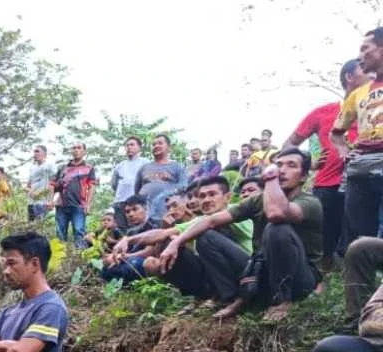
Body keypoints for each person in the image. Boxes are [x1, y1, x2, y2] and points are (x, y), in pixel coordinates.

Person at [159, 148, 323, 321]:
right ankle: (232, 297)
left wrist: (270, 177)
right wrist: (176, 243)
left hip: (299, 279)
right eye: (279, 165)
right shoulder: (258, 200)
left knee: (277, 228)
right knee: (207, 236)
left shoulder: (310, 203)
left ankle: (281, 300)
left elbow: (276, 213)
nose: (282, 170)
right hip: (263, 274)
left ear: (303, 177)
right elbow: (211, 221)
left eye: (291, 165)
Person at [285, 59, 367, 265]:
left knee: (357, 242)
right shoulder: (323, 112)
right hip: (327, 184)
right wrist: (308, 163)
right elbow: (289, 144)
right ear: (349, 77)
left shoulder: (376, 113)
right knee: (321, 241)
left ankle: (352, 276)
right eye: (365, 70)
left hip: (364, 183)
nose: (372, 74)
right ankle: (319, 276)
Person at [121, 176, 255, 300]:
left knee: (206, 235)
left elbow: (211, 223)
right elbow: (162, 233)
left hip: (250, 269)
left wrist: (177, 241)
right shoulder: (202, 220)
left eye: (212, 194)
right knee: (169, 241)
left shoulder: (238, 211)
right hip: (219, 273)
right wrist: (128, 239)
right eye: (202, 196)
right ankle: (201, 296)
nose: (206, 200)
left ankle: (231, 297)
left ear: (227, 197)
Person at [332, 29, 383, 242]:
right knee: (359, 234)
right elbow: (336, 132)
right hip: (362, 166)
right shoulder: (357, 94)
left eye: (365, 48)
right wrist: (343, 150)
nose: (360, 55)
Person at [50, 142, 97, 247]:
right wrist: (51, 200)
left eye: (79, 148)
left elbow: (92, 186)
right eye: (74, 148)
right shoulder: (63, 168)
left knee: (79, 231)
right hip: (62, 205)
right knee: (60, 232)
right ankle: (61, 255)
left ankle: (79, 254)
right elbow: (53, 184)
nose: (76, 150)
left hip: (79, 205)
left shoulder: (89, 168)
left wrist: (88, 204)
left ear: (84, 151)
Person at [135, 134, 188, 220]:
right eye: (154, 144)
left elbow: (184, 187)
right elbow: (137, 190)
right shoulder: (144, 168)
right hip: (145, 214)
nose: (156, 146)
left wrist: (165, 194)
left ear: (169, 148)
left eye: (160, 143)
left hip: (166, 212)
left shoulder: (178, 167)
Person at [110, 136, 150, 230]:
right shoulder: (120, 166)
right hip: (120, 202)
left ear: (139, 147)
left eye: (132, 145)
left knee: (137, 228)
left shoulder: (145, 163)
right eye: (127, 145)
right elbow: (114, 184)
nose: (129, 147)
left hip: (136, 201)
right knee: (121, 230)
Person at [26, 144, 53, 222]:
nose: (35, 154)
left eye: (37, 151)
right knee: (31, 225)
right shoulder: (32, 168)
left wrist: (51, 201)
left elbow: (54, 184)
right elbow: (27, 186)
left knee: (40, 224)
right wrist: (30, 191)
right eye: (34, 152)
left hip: (43, 203)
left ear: (45, 154)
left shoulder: (49, 166)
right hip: (31, 203)